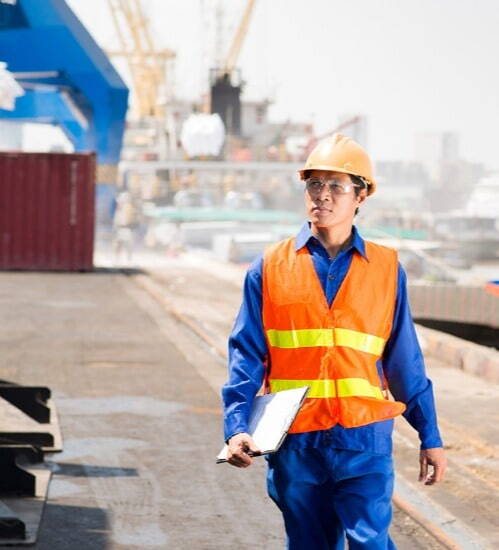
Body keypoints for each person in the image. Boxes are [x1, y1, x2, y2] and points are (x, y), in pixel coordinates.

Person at [221, 133, 447, 549]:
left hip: (364, 440)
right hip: (296, 442)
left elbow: (404, 362)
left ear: (361, 196)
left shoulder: (386, 269)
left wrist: (429, 435)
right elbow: (247, 355)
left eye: (336, 187)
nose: (322, 196)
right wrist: (236, 428)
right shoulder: (269, 268)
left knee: (370, 543)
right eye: (314, 185)